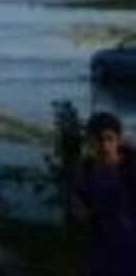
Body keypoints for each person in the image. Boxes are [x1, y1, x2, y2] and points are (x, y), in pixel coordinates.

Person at [74, 111, 136, 276]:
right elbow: (81, 203)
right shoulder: (86, 169)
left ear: (119, 139)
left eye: (109, 138)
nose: (103, 145)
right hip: (100, 252)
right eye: (98, 139)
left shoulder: (130, 168)